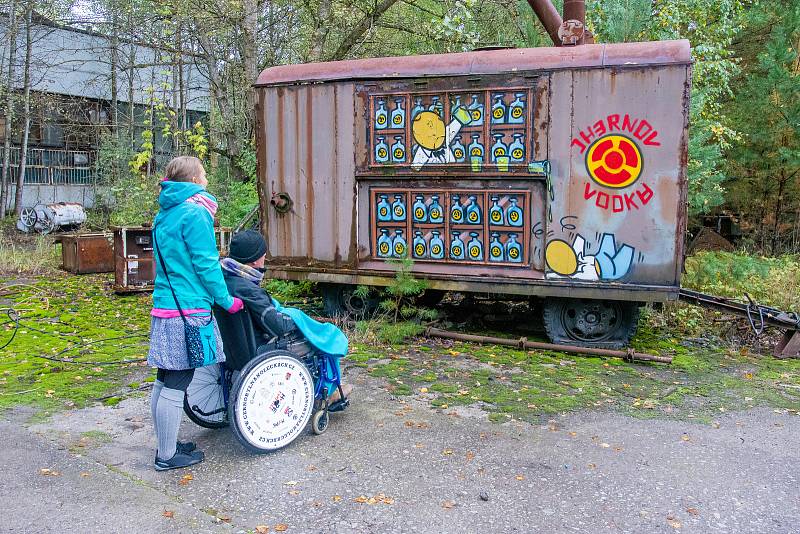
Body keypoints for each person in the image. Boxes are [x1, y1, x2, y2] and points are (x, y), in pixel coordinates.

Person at [147, 156, 244, 471]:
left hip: (165, 304)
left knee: (164, 378)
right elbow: (206, 263)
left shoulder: (165, 213)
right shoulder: (195, 213)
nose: (206, 178)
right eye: (203, 173)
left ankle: (168, 443)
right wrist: (226, 299)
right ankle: (166, 455)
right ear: (192, 180)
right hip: (187, 311)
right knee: (179, 378)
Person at [220, 230, 352, 402]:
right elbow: (278, 326)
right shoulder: (248, 289)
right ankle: (329, 390)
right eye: (262, 253)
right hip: (258, 350)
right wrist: (297, 321)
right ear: (253, 260)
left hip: (231, 349)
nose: (265, 256)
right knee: (321, 342)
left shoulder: (224, 280)